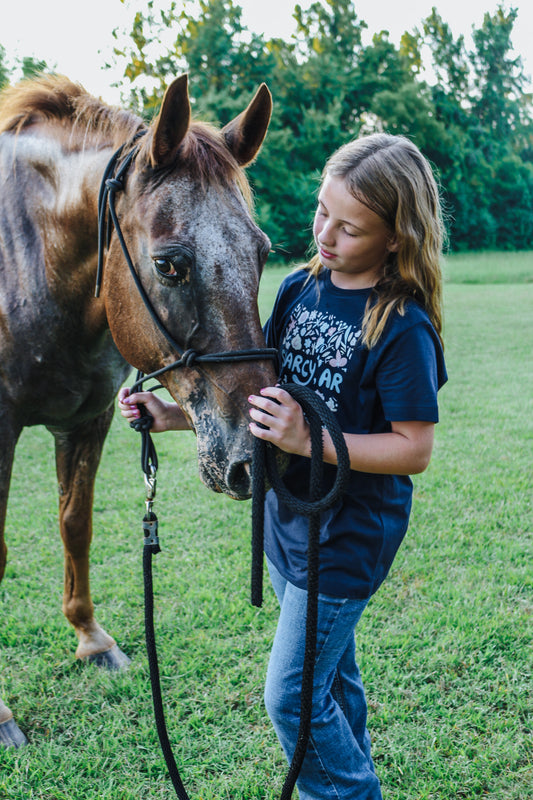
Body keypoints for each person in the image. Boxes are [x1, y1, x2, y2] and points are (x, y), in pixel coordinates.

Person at [118, 133, 447, 800]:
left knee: (291, 699)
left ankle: (351, 793)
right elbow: (265, 407)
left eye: (348, 227)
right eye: (321, 212)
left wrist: (310, 444)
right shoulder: (300, 287)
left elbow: (413, 447)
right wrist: (175, 417)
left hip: (347, 537)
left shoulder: (401, 326)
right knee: (327, 679)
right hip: (287, 526)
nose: (324, 234)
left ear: (394, 238)